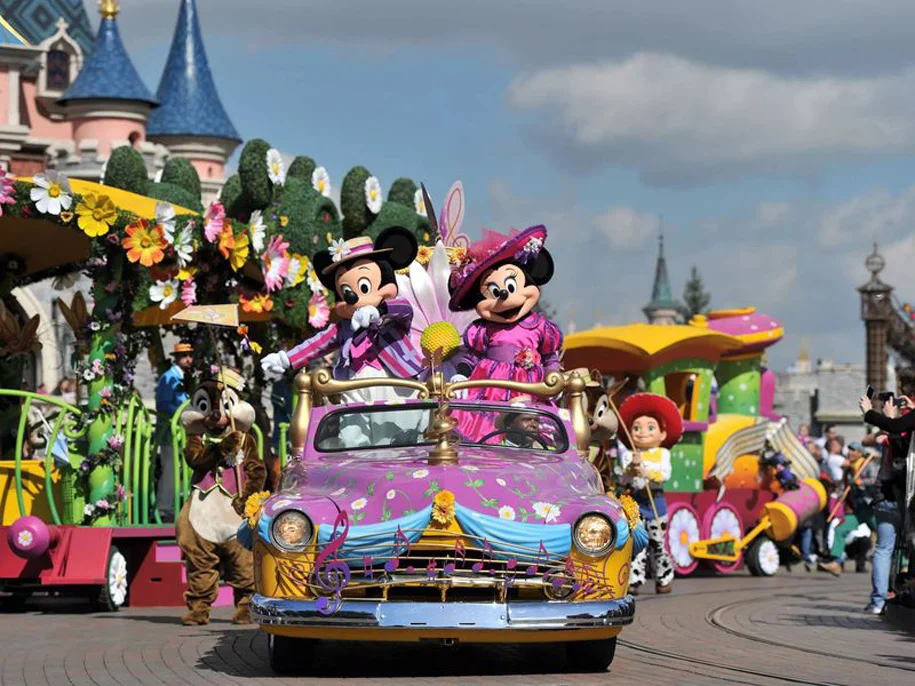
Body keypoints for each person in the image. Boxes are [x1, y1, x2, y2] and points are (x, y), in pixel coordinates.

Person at [616, 393, 682, 595]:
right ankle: (634, 580)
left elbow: (665, 474)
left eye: (650, 428)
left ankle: (664, 577)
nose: (642, 433)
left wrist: (646, 472)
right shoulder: (629, 454)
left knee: (658, 543)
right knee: (637, 543)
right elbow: (624, 478)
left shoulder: (663, 454)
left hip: (656, 502)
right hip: (636, 503)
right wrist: (631, 468)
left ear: (662, 434)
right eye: (636, 428)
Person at [858, 391, 909, 615]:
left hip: (887, 495)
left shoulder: (888, 436)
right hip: (907, 497)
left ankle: (878, 601)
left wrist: (881, 419)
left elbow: (869, 440)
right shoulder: (905, 433)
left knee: (883, 549)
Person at [155, 341, 194, 522]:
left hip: (183, 433)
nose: (188, 359)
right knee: (170, 470)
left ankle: (180, 506)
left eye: (190, 355)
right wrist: (183, 414)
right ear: (177, 358)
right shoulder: (168, 377)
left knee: (184, 471)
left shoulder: (186, 378)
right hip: (169, 433)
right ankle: (164, 509)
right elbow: (163, 404)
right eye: (184, 356)